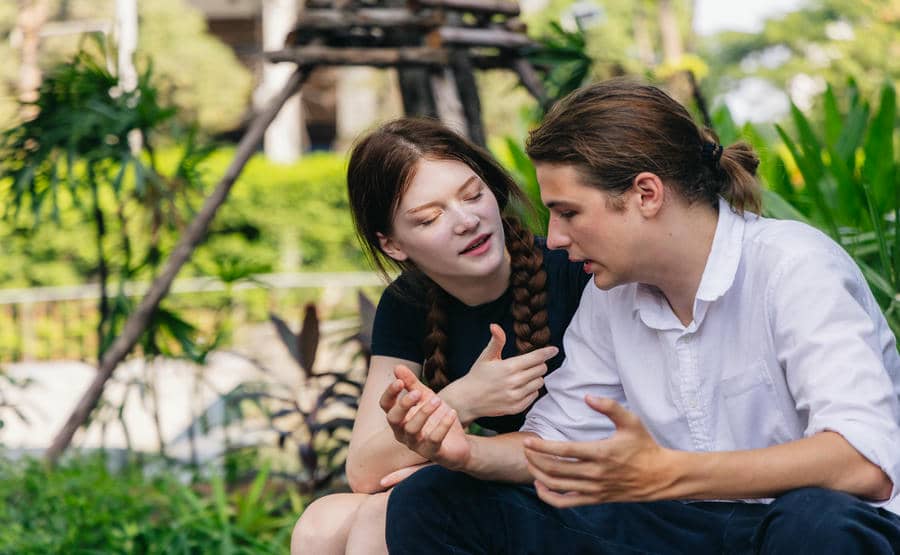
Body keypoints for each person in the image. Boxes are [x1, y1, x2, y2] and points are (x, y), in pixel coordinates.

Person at [382, 79, 900, 554]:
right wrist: (466, 453)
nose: (555, 239)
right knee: (437, 498)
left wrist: (670, 473)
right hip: (679, 529)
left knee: (817, 522)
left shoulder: (793, 265)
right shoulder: (611, 298)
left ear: (645, 194)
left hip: (797, 533)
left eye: (568, 212)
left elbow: (864, 463)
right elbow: (556, 446)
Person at [289, 118, 590, 554]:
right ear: (393, 245)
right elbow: (365, 469)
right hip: (495, 478)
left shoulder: (575, 271)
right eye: (430, 218)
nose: (467, 220)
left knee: (383, 514)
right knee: (321, 523)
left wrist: (452, 464)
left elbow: (590, 438)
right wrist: (463, 400)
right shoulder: (409, 303)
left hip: (581, 492)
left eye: (472, 195)